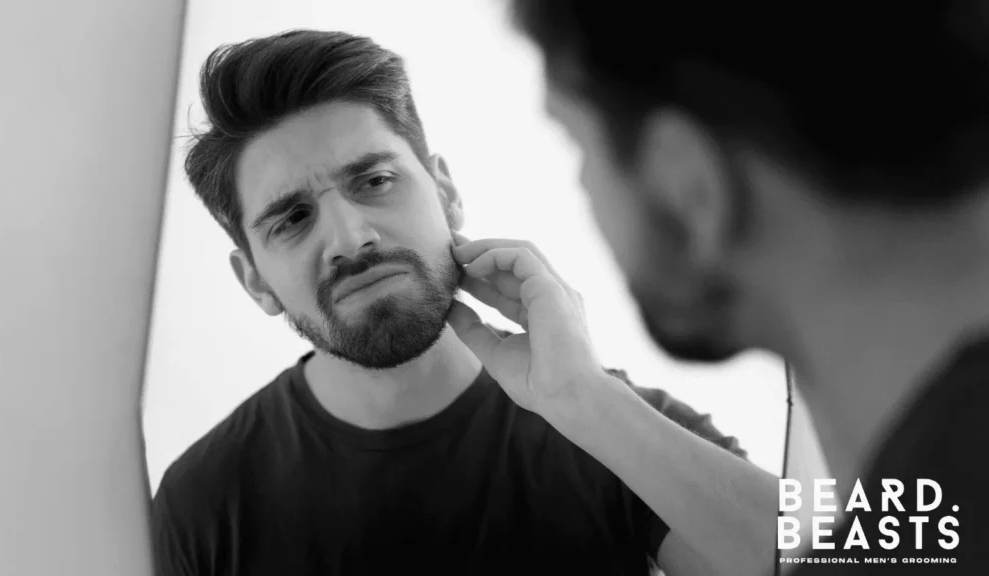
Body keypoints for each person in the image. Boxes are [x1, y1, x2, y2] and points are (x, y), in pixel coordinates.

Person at [151, 29, 780, 576]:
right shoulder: (197, 504)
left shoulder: (622, 428)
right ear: (255, 281)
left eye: (375, 181)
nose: (349, 238)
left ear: (445, 193)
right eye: (292, 218)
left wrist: (586, 401)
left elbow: (840, 551)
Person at [447, 1, 989, 573]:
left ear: (689, 187)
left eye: (579, 148)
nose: (584, 186)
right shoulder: (932, 515)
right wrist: (578, 394)